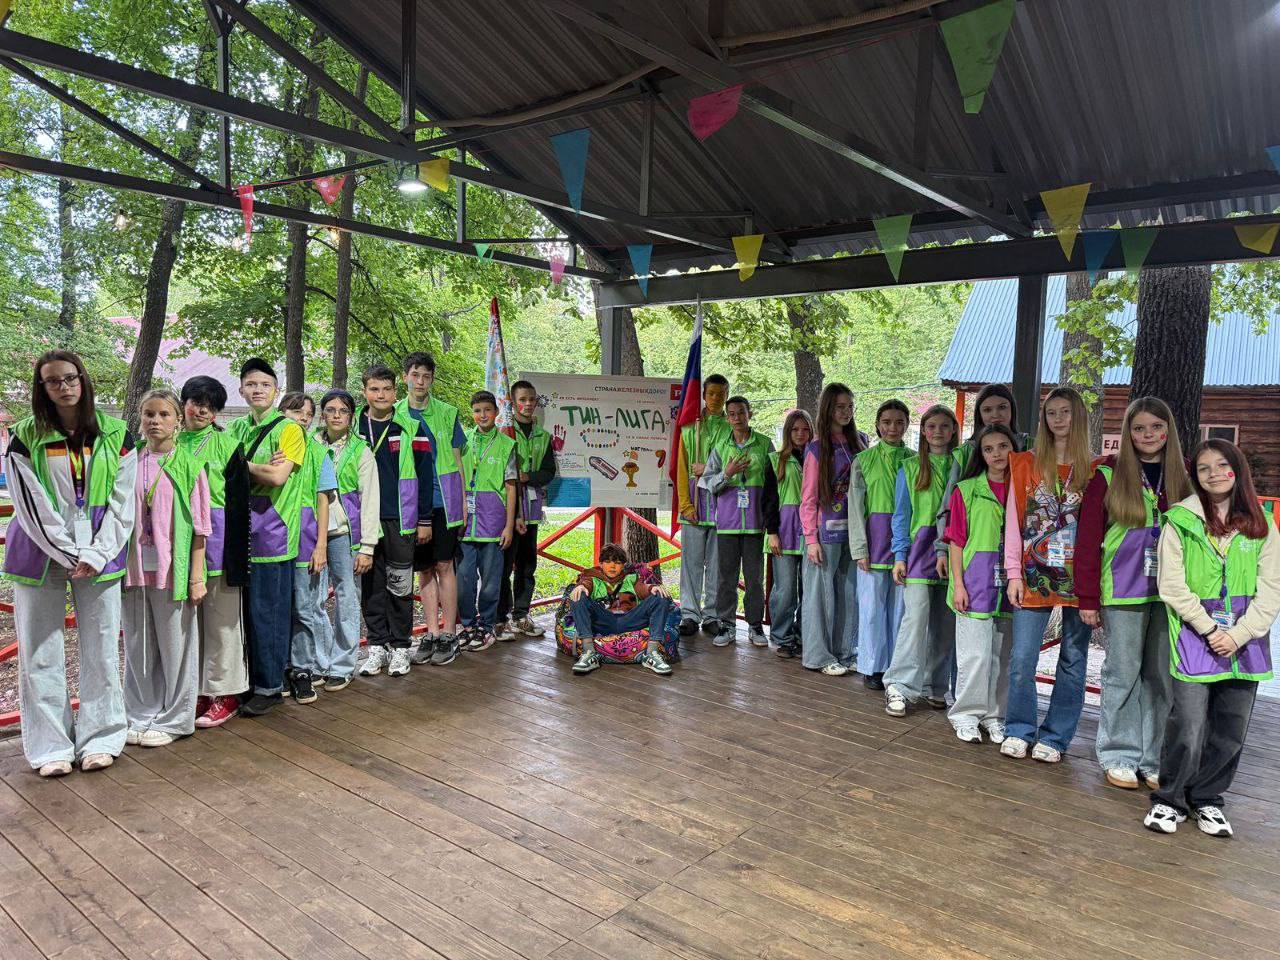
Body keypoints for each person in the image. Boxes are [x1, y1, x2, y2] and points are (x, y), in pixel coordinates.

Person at [4, 350, 136, 776]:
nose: (64, 386)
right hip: (39, 553)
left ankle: (102, 738)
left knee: (102, 648)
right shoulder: (24, 436)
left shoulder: (117, 433)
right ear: (41, 388)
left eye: (70, 377)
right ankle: (50, 748)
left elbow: (124, 502)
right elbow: (30, 505)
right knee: (40, 650)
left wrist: (96, 553)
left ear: (83, 379)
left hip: (101, 552)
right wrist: (67, 552)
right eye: (53, 381)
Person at [1144, 440, 1279, 838]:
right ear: (1195, 476)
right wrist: (1210, 629)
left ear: (1238, 470)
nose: (1214, 474)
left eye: (1222, 465)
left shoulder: (1262, 523)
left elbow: (1271, 588)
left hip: (1246, 640)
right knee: (1187, 724)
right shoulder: (1180, 521)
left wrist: (1239, 633)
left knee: (1230, 728)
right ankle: (1170, 799)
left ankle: (1207, 798)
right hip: (1195, 634)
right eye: (1204, 468)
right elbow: (1171, 585)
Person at [1076, 398, 1190, 790]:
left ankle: (1153, 757)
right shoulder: (1107, 474)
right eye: (1139, 428)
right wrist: (1087, 598)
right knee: (1123, 672)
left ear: (1168, 430)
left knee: (1161, 676)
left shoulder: (1184, 475)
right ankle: (1119, 753)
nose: (1148, 435)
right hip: (1122, 589)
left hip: (1171, 593)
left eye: (1156, 427)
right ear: (1128, 433)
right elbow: (1087, 541)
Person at [1001, 387, 1097, 762]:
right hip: (1032, 574)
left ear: (1079, 417)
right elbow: (1013, 523)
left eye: (1066, 412)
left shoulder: (1096, 468)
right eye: (1051, 412)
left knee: (1073, 659)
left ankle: (1055, 737)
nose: (1058, 419)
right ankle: (1019, 729)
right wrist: (1013, 573)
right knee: (1022, 657)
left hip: (1080, 578)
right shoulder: (1025, 463)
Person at [122, 389, 209, 747]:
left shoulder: (188, 465)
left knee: (176, 647)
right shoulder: (127, 462)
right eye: (149, 414)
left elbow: (201, 528)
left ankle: (175, 719)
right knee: (138, 645)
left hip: (174, 570)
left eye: (163, 414)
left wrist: (196, 578)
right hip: (133, 569)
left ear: (177, 421)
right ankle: (140, 714)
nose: (155, 421)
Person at [226, 359, 306, 716]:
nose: (257, 389)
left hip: (274, 533)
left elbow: (277, 478)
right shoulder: (235, 428)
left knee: (268, 613)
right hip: (240, 530)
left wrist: (242, 466)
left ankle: (270, 686)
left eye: (265, 384)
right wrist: (258, 468)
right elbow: (220, 467)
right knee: (243, 614)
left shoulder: (289, 429)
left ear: (276, 390)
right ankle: (248, 682)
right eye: (251, 384)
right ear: (241, 390)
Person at [355, 364, 434, 678]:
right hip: (364, 519)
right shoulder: (354, 426)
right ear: (365, 392)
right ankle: (377, 645)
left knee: (399, 586)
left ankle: (401, 647)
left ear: (395, 392)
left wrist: (425, 519)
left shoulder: (411, 427)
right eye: (374, 389)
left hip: (400, 518)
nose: (381, 395)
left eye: (386, 389)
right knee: (371, 586)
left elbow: (425, 476)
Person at [178, 376, 247, 729]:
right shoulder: (169, 441)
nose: (202, 410)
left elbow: (239, 503)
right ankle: (198, 690)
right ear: (184, 403)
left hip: (220, 543)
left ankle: (225, 693)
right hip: (177, 543)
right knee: (188, 625)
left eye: (210, 406)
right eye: (197, 402)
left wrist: (237, 558)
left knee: (222, 623)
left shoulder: (228, 445)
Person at [884, 404, 958, 716]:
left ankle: (935, 686)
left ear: (953, 430)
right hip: (918, 551)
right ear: (923, 432)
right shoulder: (911, 467)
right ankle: (899, 685)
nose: (938, 432)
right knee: (915, 619)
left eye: (944, 426)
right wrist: (899, 556)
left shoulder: (961, 464)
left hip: (953, 550)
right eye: (931, 426)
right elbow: (901, 516)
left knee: (944, 622)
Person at [944, 424, 1017, 743]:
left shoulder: (1024, 488)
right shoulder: (967, 489)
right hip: (974, 581)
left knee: (1002, 654)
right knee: (974, 655)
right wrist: (958, 585)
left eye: (1003, 446)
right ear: (981, 455)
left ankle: (995, 716)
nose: (997, 454)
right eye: (989, 449)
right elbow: (956, 541)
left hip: (1012, 583)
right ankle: (966, 714)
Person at [398, 352, 467, 667]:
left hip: (444, 502)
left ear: (432, 380)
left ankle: (449, 633)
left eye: (426, 376)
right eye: (415, 375)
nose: (420, 381)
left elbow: (457, 459)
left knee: (444, 565)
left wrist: (463, 502)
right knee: (424, 569)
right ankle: (431, 632)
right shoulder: (395, 414)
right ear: (405, 377)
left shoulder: (448, 413)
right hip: (412, 503)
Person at [315, 389, 379, 689]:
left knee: (347, 597)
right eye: (331, 410)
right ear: (322, 414)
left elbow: (370, 500)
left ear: (351, 416)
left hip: (345, 534)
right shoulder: (311, 444)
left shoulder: (361, 450)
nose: (336, 415)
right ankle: (319, 661)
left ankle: (342, 665)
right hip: (312, 534)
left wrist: (367, 547)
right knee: (312, 600)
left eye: (343, 410)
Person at [702, 395, 778, 646]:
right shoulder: (721, 446)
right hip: (727, 524)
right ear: (727, 418)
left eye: (741, 413)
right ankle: (726, 625)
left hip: (755, 524)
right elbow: (708, 483)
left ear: (750, 414)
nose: (737, 418)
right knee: (726, 578)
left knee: (754, 579)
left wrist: (770, 520)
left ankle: (755, 626)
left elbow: (773, 485)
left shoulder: (765, 444)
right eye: (732, 414)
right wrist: (727, 474)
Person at [800, 384, 865, 676]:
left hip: (854, 533)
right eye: (840, 406)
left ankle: (845, 651)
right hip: (824, 534)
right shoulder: (817, 448)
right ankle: (818, 656)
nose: (846, 412)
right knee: (821, 597)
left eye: (850, 406)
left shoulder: (859, 444)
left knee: (848, 594)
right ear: (828, 409)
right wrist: (811, 539)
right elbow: (808, 498)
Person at [849, 399, 912, 688]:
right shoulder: (863, 460)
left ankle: (896, 667)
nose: (892, 428)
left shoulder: (915, 461)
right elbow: (855, 508)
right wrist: (860, 548)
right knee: (872, 608)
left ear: (907, 425)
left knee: (900, 609)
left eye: (899, 422)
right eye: (886, 422)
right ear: (877, 425)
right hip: (873, 541)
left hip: (905, 545)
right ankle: (872, 667)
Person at [277, 393, 334, 705]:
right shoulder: (272, 445)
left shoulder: (318, 452)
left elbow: (324, 500)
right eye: (295, 411)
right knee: (278, 608)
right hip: (273, 539)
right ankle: (279, 667)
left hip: (306, 540)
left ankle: (302, 669)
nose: (302, 417)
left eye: (308, 414)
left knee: (304, 608)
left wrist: (321, 545)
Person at [935, 384, 1029, 566]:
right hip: (977, 551)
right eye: (987, 410)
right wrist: (942, 550)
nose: (995, 414)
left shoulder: (1029, 447)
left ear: (1012, 409)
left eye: (1002, 407)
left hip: (1022, 551)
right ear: (979, 414)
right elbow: (949, 506)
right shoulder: (965, 452)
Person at [496, 379, 557, 640]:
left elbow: (548, 472)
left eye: (532, 399)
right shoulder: (504, 433)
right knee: (503, 565)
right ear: (512, 402)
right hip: (507, 511)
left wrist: (528, 476)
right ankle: (500, 618)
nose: (528, 404)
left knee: (527, 565)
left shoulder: (543, 436)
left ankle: (521, 615)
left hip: (531, 511)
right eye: (522, 400)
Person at [457, 390, 517, 650]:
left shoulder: (507, 445)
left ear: (496, 412)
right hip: (465, 521)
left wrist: (509, 526)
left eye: (487, 410)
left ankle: (487, 626)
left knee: (491, 581)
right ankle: (468, 625)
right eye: (477, 410)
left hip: (493, 521)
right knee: (463, 580)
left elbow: (511, 488)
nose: (482, 415)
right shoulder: (462, 440)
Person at [568, 543, 675, 676]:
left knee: (661, 596)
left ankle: (652, 653)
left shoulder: (630, 579)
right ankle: (589, 652)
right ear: (601, 564)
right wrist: (581, 586)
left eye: (618, 563)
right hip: (604, 621)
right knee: (577, 595)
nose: (612, 566)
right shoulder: (593, 579)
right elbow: (586, 584)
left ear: (623, 565)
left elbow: (642, 588)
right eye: (608, 562)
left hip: (630, 620)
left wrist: (652, 588)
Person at [676, 373, 730, 637]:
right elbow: (681, 470)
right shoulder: (690, 428)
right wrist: (685, 504)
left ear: (727, 395)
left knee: (717, 565)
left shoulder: (732, 428)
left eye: (721, 394)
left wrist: (707, 469)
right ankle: (689, 613)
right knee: (691, 563)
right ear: (704, 395)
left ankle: (712, 615)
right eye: (711, 394)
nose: (716, 399)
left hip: (723, 506)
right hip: (694, 504)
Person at [768, 409, 813, 658]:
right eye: (795, 429)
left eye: (805, 429)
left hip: (810, 534)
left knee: (809, 589)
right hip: (784, 533)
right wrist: (772, 532)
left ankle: (803, 635)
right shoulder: (776, 460)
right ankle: (782, 637)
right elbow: (769, 500)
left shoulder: (818, 459)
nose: (800, 434)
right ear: (787, 432)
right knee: (785, 589)